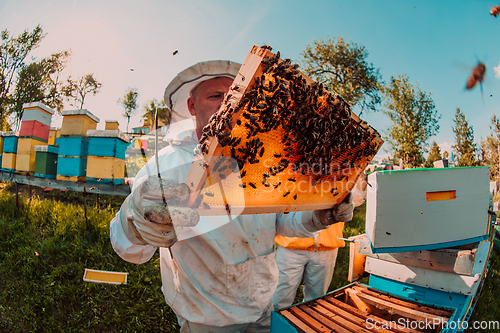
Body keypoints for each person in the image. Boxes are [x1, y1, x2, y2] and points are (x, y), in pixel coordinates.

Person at [109, 60, 354, 333]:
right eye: (215, 96)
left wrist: (317, 216)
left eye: (236, 97)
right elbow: (130, 250)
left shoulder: (263, 163)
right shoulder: (165, 164)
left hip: (261, 306)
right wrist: (134, 218)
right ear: (192, 106)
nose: (228, 105)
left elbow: (281, 224)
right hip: (205, 318)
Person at [272, 174, 368, 310]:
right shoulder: (295, 167)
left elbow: (356, 199)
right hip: (291, 244)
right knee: (279, 298)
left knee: (316, 300)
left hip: (327, 247)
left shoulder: (343, 167)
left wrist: (359, 179)